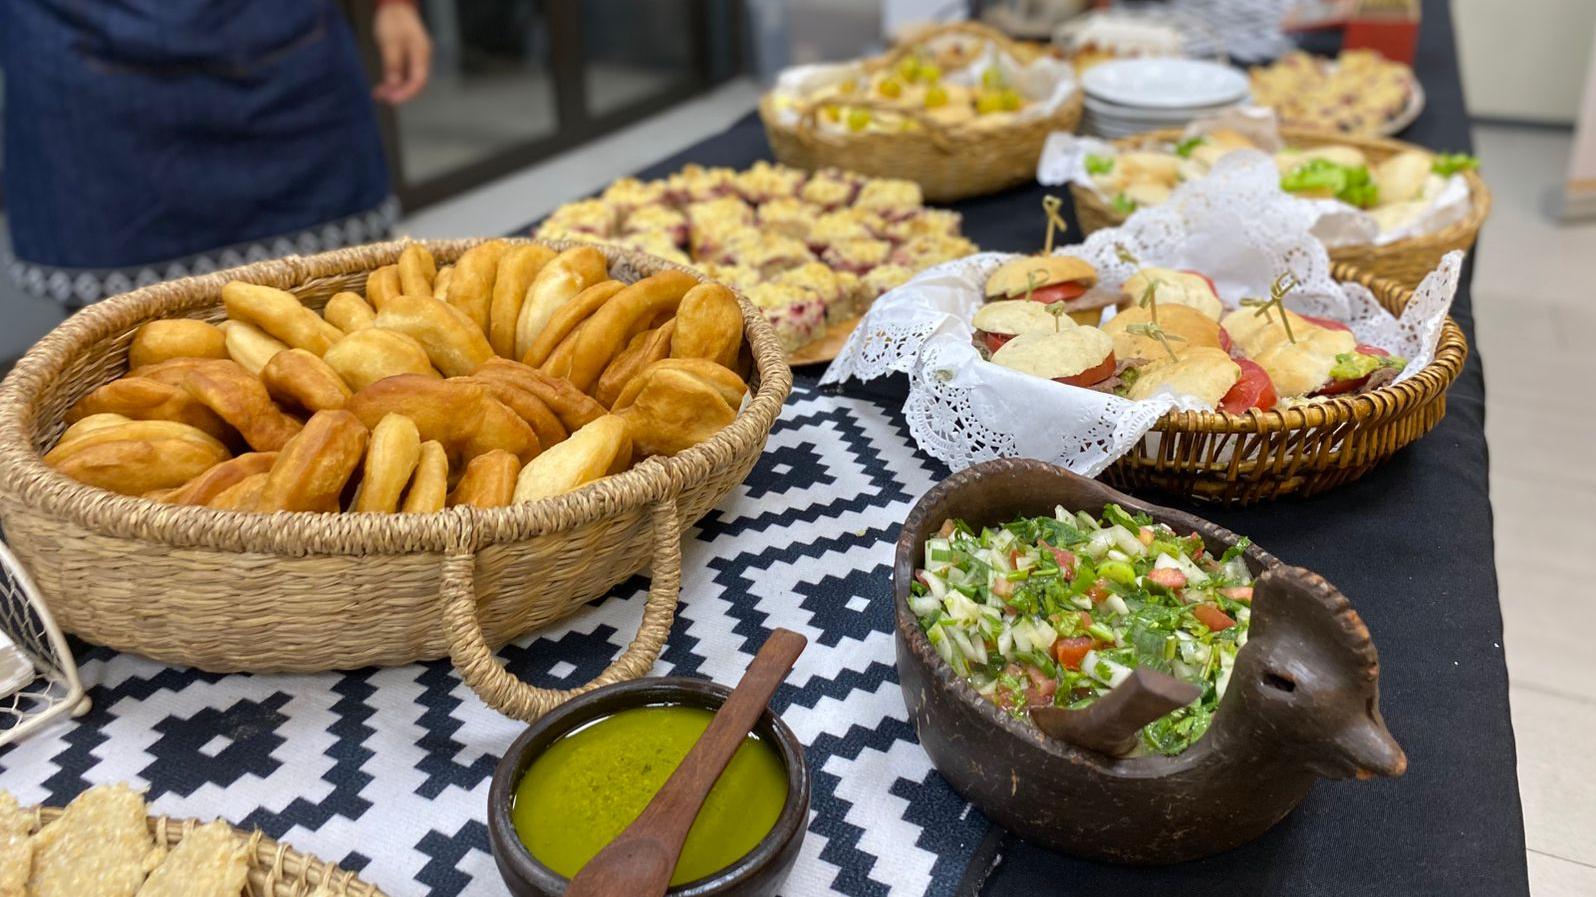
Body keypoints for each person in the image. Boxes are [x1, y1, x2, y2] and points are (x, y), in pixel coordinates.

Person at [0, 0, 431, 306]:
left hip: (286, 55)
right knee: (121, 372)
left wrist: (394, 4)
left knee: (348, 325)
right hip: (85, 71)